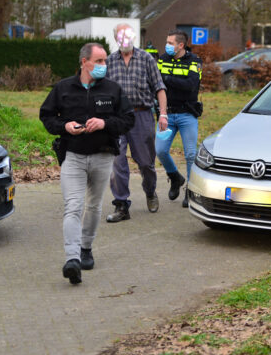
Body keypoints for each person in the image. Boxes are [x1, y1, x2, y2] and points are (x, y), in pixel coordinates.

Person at [39, 42, 134, 284]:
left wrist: (105, 124)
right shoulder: (63, 88)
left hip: (103, 156)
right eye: (100, 61)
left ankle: (86, 248)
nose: (104, 65)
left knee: (93, 206)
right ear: (84, 62)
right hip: (73, 156)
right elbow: (47, 115)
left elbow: (128, 119)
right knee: (73, 206)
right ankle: (72, 259)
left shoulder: (113, 89)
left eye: (105, 61)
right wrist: (65, 127)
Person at [106, 23, 168, 222]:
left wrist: (163, 114)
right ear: (116, 39)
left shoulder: (146, 58)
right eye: (121, 36)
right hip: (117, 117)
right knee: (117, 161)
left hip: (142, 115)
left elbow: (159, 87)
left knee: (146, 163)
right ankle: (121, 204)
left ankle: (150, 191)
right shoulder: (109, 61)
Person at [155, 30, 202, 208]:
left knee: (191, 154)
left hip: (186, 114)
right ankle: (175, 177)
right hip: (166, 114)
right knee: (160, 150)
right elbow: (155, 83)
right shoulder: (162, 59)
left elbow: (190, 86)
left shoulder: (195, 61)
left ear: (180, 45)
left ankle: (190, 191)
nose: (166, 45)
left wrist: (166, 79)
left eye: (170, 42)